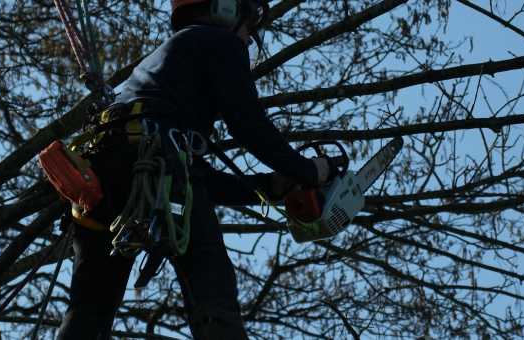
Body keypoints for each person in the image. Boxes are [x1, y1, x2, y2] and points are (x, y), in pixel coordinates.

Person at [55, 0, 345, 338]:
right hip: (152, 171)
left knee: (89, 310)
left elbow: (196, 177)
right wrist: (308, 171)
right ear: (224, 8)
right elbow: (248, 125)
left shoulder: (164, 72)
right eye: (248, 25)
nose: (249, 39)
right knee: (213, 291)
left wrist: (270, 187)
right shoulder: (218, 42)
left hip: (104, 178)